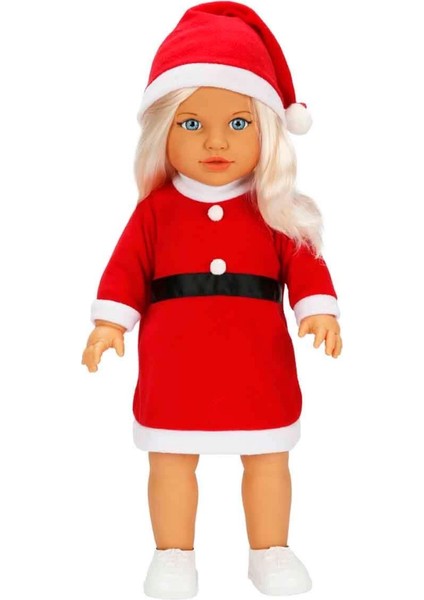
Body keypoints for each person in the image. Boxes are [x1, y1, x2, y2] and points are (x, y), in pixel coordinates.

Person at [81, 2, 342, 598]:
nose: (217, 141)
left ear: (269, 131)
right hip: (176, 365)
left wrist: (318, 309)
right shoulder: (155, 212)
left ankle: (270, 550)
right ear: (163, 132)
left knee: (269, 457)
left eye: (240, 123)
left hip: (258, 365)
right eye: (193, 123)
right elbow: (125, 270)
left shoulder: (275, 209)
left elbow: (307, 265)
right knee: (171, 459)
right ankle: (173, 554)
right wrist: (110, 324)